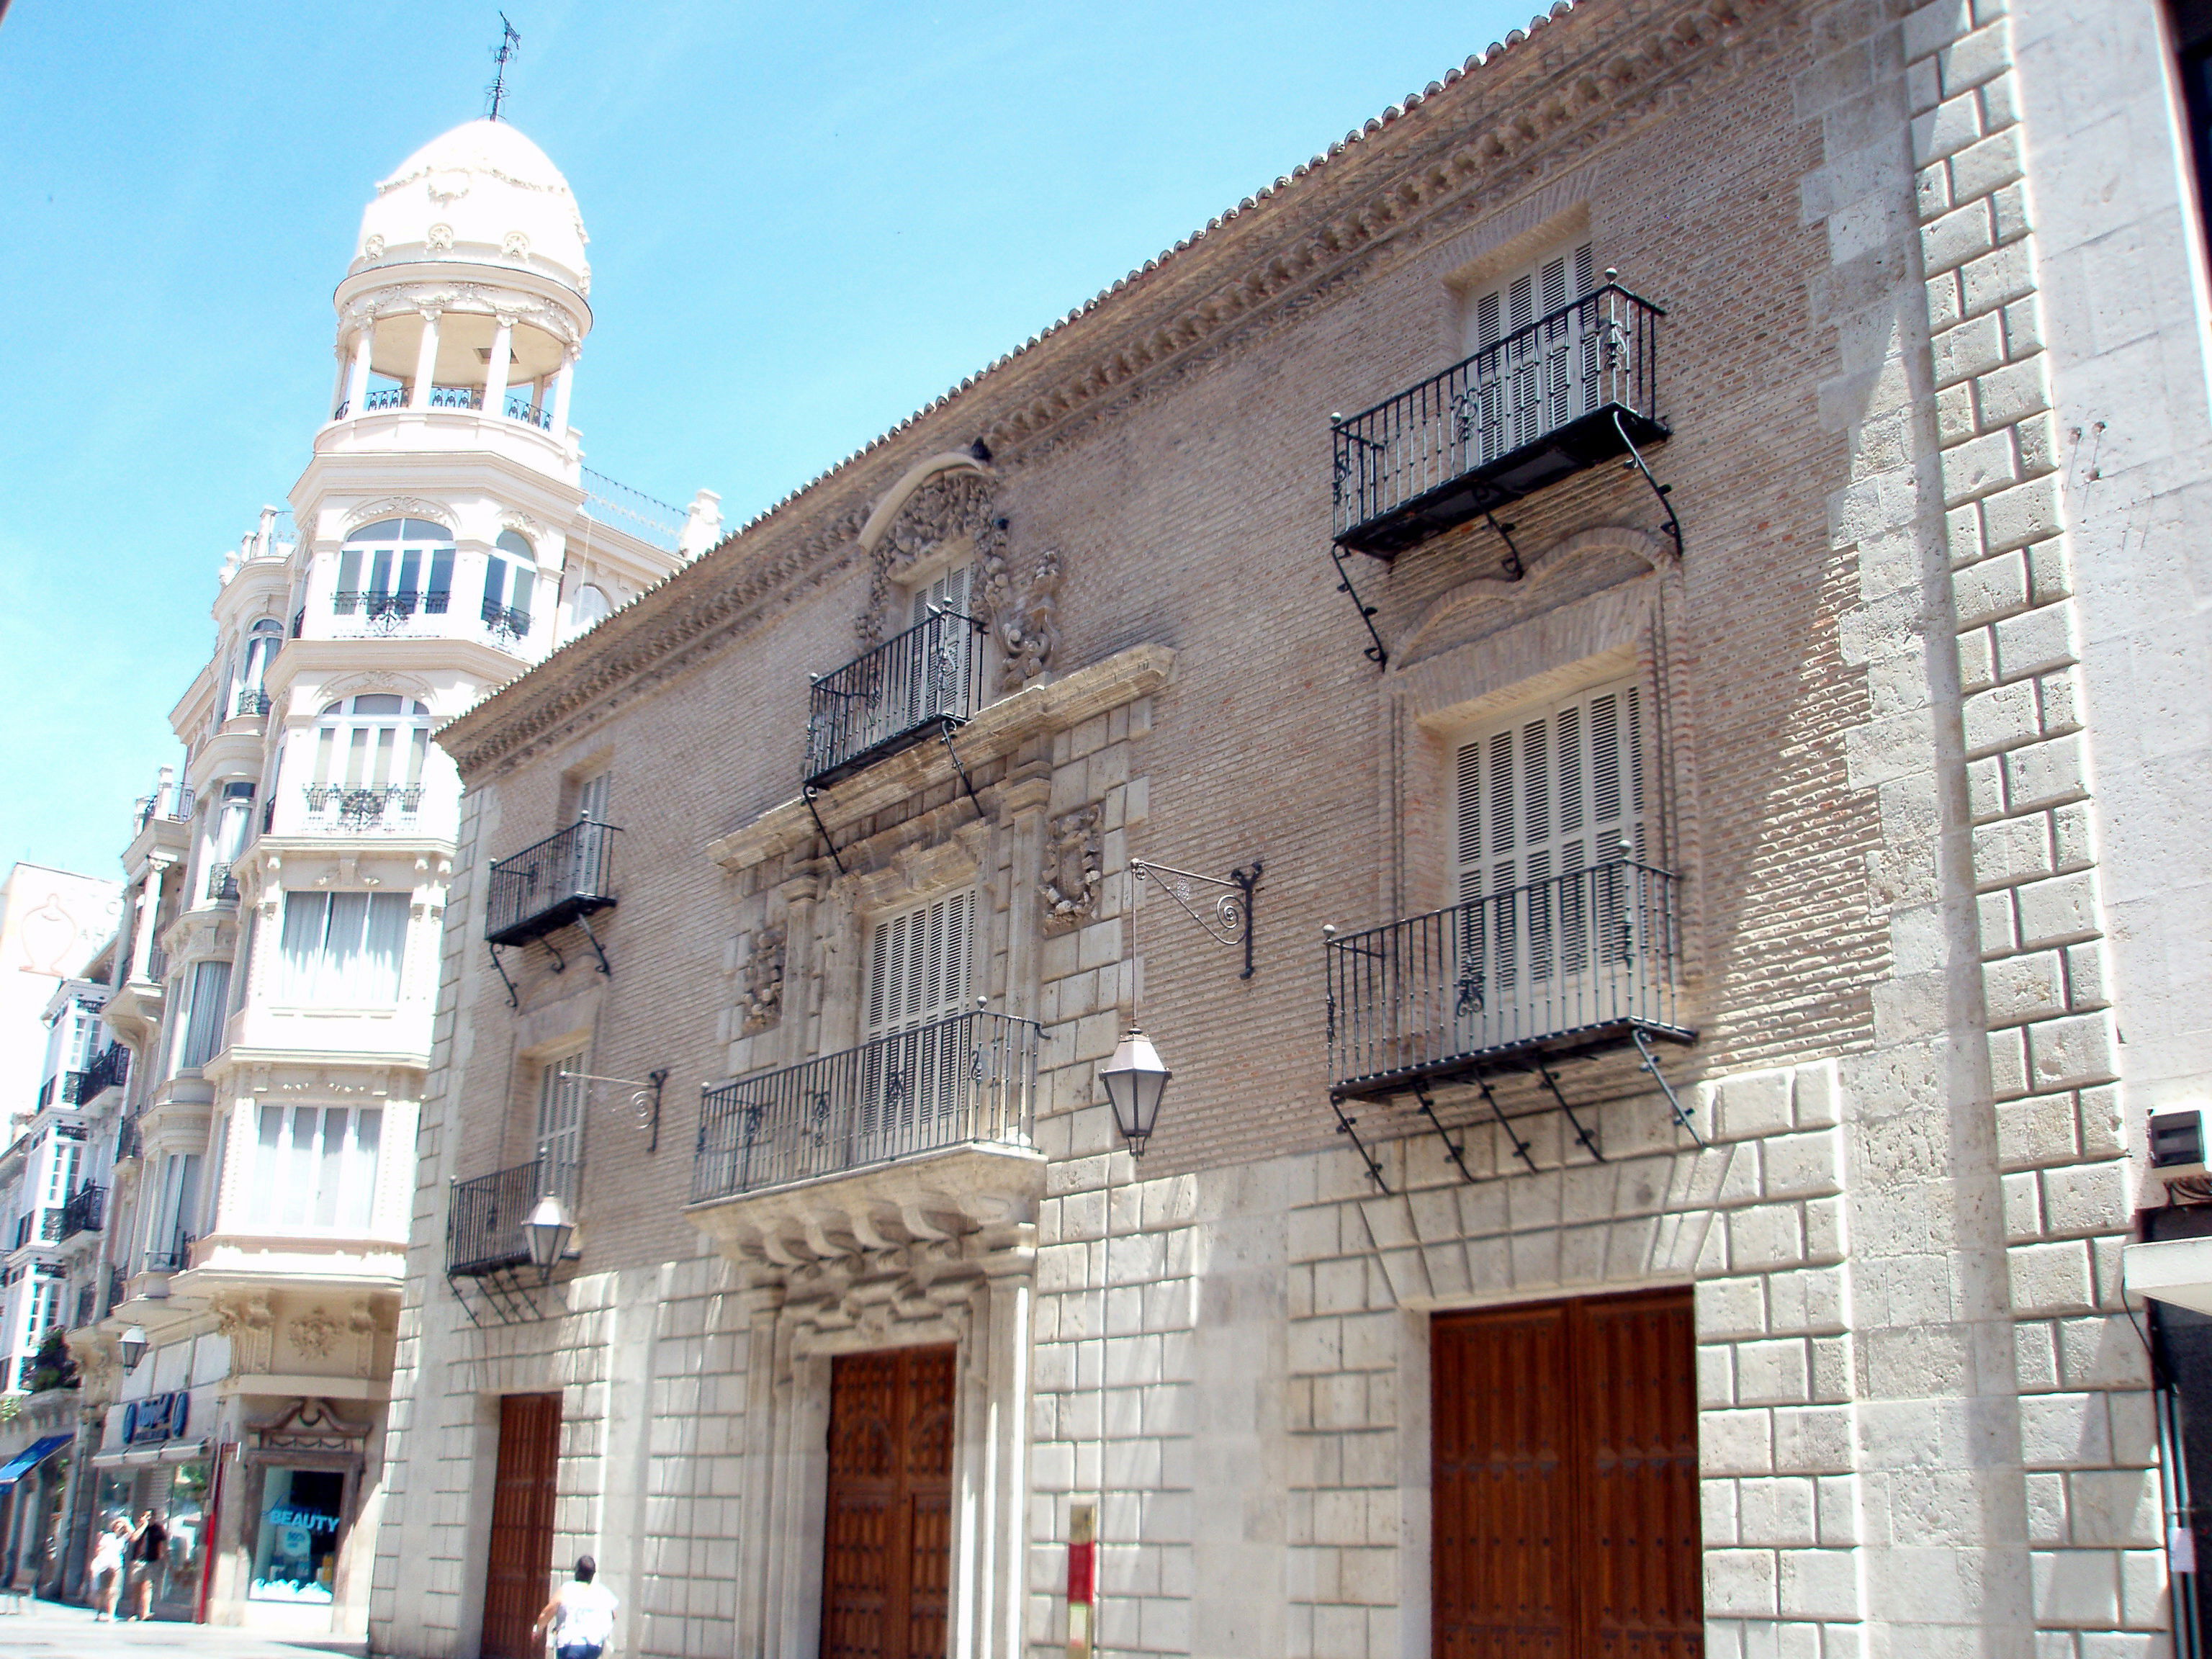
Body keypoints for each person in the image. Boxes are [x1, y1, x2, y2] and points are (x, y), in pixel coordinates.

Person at [531, 1555, 617, 1659]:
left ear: (577, 1571)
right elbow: (613, 1615)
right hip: (595, 1644)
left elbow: (548, 1611)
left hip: (571, 1643)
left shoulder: (567, 1589)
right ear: (593, 1574)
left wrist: (538, 1630)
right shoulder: (604, 1592)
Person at [125, 1508, 165, 1620]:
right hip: (138, 1561)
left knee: (147, 1586)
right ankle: (134, 1612)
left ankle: (145, 1613)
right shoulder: (139, 1528)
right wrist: (143, 1526)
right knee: (137, 1587)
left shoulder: (158, 1528)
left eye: (150, 1517)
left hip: (152, 1560)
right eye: (146, 1516)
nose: (148, 1519)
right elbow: (134, 1538)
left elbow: (163, 1544)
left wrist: (165, 1559)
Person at [89, 1518, 130, 1620]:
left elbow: (133, 1534)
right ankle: (99, 1613)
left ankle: (111, 1614)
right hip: (104, 1564)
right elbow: (99, 1549)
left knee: (114, 1591)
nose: (119, 1528)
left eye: (121, 1527)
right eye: (117, 1526)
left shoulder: (124, 1538)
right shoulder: (108, 1536)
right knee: (102, 1590)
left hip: (116, 1565)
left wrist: (126, 1522)